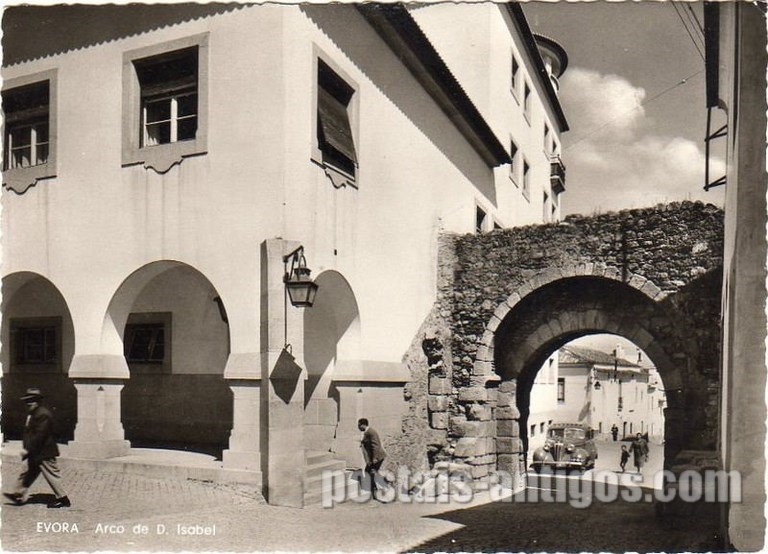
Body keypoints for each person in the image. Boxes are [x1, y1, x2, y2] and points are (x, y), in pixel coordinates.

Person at [3, 388, 71, 508]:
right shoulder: (34, 414)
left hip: (44, 451)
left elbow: (40, 435)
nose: (29, 403)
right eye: (27, 401)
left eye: (32, 400)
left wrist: (27, 449)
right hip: (36, 451)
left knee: (51, 474)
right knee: (28, 472)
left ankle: (63, 499)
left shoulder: (43, 414)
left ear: (38, 402)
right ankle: (18, 494)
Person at [358, 418, 387, 500]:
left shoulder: (371, 432)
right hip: (373, 458)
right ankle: (374, 493)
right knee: (369, 474)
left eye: (359, 425)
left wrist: (375, 458)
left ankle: (379, 492)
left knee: (371, 474)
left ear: (363, 425)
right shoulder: (368, 432)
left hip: (377, 457)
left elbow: (375, 445)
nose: (358, 427)